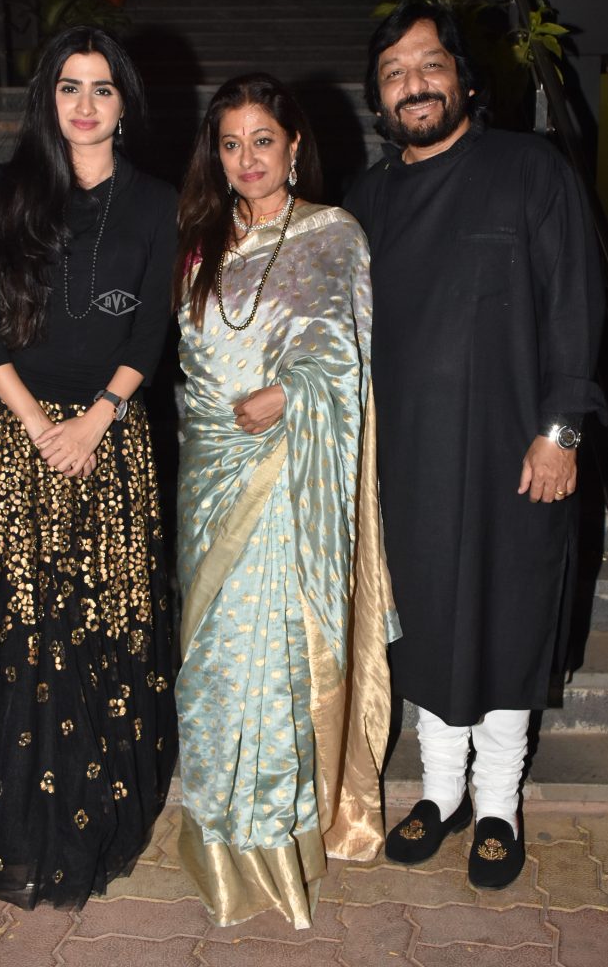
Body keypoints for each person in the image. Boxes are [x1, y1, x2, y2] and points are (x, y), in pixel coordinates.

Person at [0, 26, 178, 909]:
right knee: (10, 635)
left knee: (92, 632)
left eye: (102, 88)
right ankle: (6, 828)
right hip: (7, 440)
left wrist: (94, 421)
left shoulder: (157, 203)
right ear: (47, 99)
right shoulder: (4, 189)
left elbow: (149, 331)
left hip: (108, 438)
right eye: (69, 86)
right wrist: (38, 426)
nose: (85, 104)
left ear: (125, 103)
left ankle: (86, 824)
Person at [345, 2, 604, 888]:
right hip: (408, 462)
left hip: (516, 454)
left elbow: (574, 303)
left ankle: (497, 804)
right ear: (378, 97)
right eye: (394, 73)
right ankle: (439, 791)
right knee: (424, 626)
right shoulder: (367, 202)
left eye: (428, 65)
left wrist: (560, 430)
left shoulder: (529, 168)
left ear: (461, 76)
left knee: (505, 620)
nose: (413, 84)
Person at [172, 73, 395, 928]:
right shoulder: (199, 240)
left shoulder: (332, 235)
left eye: (262, 140)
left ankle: (274, 841)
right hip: (209, 476)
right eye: (230, 144)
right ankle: (216, 831)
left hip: (283, 475)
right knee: (210, 665)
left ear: (294, 145)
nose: (248, 159)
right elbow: (189, 366)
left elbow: (346, 360)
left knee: (268, 663)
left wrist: (293, 393)